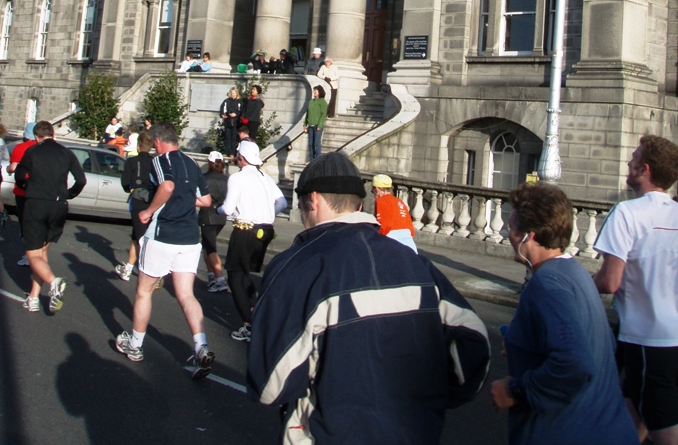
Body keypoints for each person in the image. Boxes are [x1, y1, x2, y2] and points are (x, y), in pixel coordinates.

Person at [247, 151, 490, 443]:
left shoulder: (297, 265)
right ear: (360, 204)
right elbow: (474, 342)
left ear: (312, 200)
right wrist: (430, 399)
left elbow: (270, 384)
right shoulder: (418, 265)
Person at [490, 182, 636, 445]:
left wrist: (515, 389)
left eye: (512, 229)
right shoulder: (575, 273)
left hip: (569, 431)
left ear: (529, 236)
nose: (507, 235)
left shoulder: (547, 285)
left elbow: (576, 362)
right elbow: (600, 344)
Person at [593, 134, 678, 445]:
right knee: (633, 414)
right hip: (666, 336)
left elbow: (609, 282)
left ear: (644, 169)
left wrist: (580, 284)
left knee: (664, 430)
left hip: (647, 337)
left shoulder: (628, 213)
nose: (628, 163)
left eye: (633, 159)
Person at [115, 123, 215, 379]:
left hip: (163, 235)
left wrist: (148, 211)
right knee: (186, 295)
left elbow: (168, 187)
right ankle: (201, 346)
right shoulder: (192, 163)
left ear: (158, 142)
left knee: (144, 291)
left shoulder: (161, 161)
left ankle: (135, 345)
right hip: (190, 239)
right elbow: (205, 200)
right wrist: (182, 198)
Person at [14, 120, 87, 313]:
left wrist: (26, 187)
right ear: (53, 134)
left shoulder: (32, 151)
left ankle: (54, 282)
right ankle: (34, 297)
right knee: (42, 253)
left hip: (37, 203)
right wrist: (69, 194)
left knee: (32, 255)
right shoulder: (67, 152)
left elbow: (19, 176)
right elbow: (81, 180)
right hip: (59, 206)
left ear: (37, 137)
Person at [219, 140, 286, 341]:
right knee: (245, 274)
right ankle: (255, 312)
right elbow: (282, 202)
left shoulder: (237, 178)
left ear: (242, 158)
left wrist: (217, 210)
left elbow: (228, 209)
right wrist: (266, 215)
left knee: (234, 276)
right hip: (264, 231)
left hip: (245, 230)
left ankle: (249, 325)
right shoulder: (266, 177)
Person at [115, 131, 154, 281]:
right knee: (136, 236)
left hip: (137, 201)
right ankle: (129, 268)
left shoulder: (131, 162)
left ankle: (148, 272)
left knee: (141, 238)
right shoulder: (154, 162)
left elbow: (125, 182)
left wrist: (131, 188)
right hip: (152, 201)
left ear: (138, 146)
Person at [8, 122, 38, 265]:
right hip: (39, 191)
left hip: (22, 190)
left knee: (24, 225)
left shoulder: (20, 148)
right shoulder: (41, 149)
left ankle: (29, 255)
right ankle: (38, 254)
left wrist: (9, 169)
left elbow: (13, 168)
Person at [200, 151, 229, 293]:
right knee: (206, 245)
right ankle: (211, 275)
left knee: (210, 247)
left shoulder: (204, 178)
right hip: (221, 216)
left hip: (208, 215)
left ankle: (220, 279)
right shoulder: (226, 179)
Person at [371, 173, 416, 252]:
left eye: (373, 191)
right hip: (410, 244)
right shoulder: (399, 202)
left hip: (393, 243)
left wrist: (375, 239)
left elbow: (385, 226)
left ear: (377, 189)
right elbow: (411, 229)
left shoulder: (381, 201)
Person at [220, 87, 243, 161]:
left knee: (233, 137)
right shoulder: (226, 101)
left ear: (237, 93)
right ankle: (226, 152)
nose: (233, 94)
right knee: (227, 137)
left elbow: (241, 111)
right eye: (232, 93)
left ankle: (232, 153)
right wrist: (222, 115)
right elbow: (222, 109)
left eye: (235, 93)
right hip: (228, 121)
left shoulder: (239, 102)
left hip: (235, 122)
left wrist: (236, 114)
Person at [305, 86, 327, 160]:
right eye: (314, 90)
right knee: (310, 144)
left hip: (317, 125)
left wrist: (320, 125)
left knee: (316, 144)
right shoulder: (311, 101)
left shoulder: (322, 102)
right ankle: (311, 159)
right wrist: (305, 123)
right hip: (310, 125)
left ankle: (318, 159)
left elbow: (323, 114)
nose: (314, 92)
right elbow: (308, 113)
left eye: (316, 91)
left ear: (320, 92)